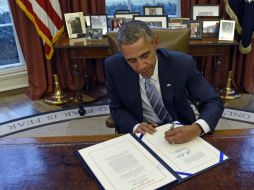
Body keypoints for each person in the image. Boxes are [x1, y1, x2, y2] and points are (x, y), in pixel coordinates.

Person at [105, 20, 224, 144]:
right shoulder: (113, 67)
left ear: (155, 43)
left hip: (181, 129)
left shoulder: (182, 64)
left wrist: (197, 128)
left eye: (145, 55)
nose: (141, 67)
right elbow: (116, 108)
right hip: (143, 134)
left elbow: (213, 101)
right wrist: (135, 126)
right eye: (132, 61)